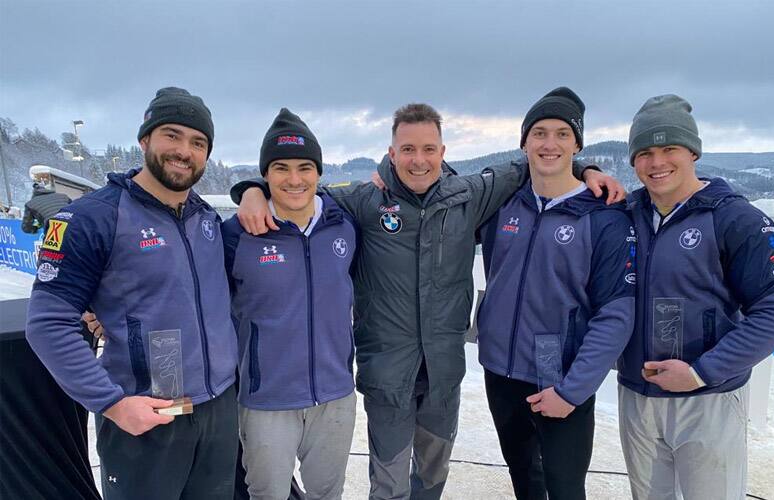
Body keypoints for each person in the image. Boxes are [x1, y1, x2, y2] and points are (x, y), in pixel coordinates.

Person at [233, 103, 624, 499]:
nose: (418, 160)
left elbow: (540, 160)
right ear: (391, 154)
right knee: (388, 483)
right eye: (407, 150)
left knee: (433, 477)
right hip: (388, 374)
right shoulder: (364, 203)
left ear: (442, 152)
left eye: (428, 149)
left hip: (443, 374)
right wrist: (252, 190)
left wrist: (588, 169)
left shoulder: (470, 195)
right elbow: (299, 190)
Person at [25, 87, 239, 500]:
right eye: (171, 136)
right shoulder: (93, 217)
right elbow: (47, 323)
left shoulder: (208, 219)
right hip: (144, 415)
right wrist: (112, 403)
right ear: (145, 140)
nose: (184, 151)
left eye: (198, 142)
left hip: (216, 410)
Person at [617, 94, 774, 500]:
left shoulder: (735, 219)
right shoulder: (625, 215)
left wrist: (701, 371)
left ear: (693, 152)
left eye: (669, 149)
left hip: (708, 398)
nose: (657, 162)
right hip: (637, 395)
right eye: (644, 152)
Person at [477, 87, 636, 500]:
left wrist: (572, 389)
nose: (550, 144)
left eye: (563, 134)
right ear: (524, 141)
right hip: (500, 369)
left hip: (561, 372)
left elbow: (616, 312)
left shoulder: (603, 216)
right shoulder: (502, 203)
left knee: (564, 487)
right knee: (524, 480)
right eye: (540, 133)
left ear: (577, 144)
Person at [222, 108, 357, 500]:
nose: (294, 179)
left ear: (318, 172)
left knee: (327, 494)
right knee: (267, 495)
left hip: (334, 395)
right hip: (266, 399)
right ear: (266, 174)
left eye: (304, 168)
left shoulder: (343, 225)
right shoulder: (237, 234)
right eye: (281, 168)